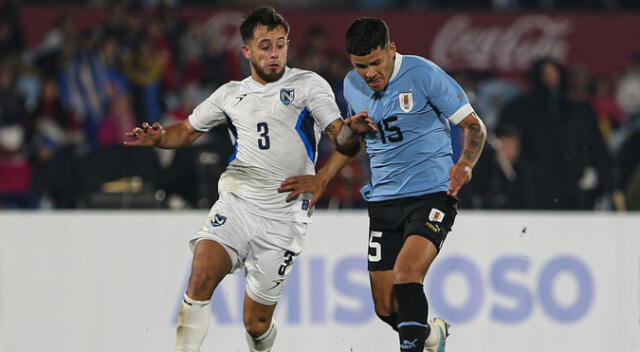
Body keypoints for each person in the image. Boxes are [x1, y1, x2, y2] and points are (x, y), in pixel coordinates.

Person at [124, 7, 367, 352]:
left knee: (256, 324)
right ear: (247, 51)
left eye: (280, 45)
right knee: (201, 273)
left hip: (284, 215)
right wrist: (159, 137)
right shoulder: (230, 94)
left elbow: (341, 138)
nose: (274, 53)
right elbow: (187, 131)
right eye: (265, 45)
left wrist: (330, 167)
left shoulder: (308, 85)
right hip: (239, 201)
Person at [281, 18, 487, 352]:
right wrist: (344, 143)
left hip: (433, 195)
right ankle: (433, 336)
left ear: (392, 50)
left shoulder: (423, 74)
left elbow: (474, 126)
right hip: (384, 202)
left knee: (406, 275)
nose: (370, 73)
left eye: (376, 62)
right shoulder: (352, 85)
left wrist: (465, 163)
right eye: (361, 66)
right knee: (385, 306)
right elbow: (350, 144)